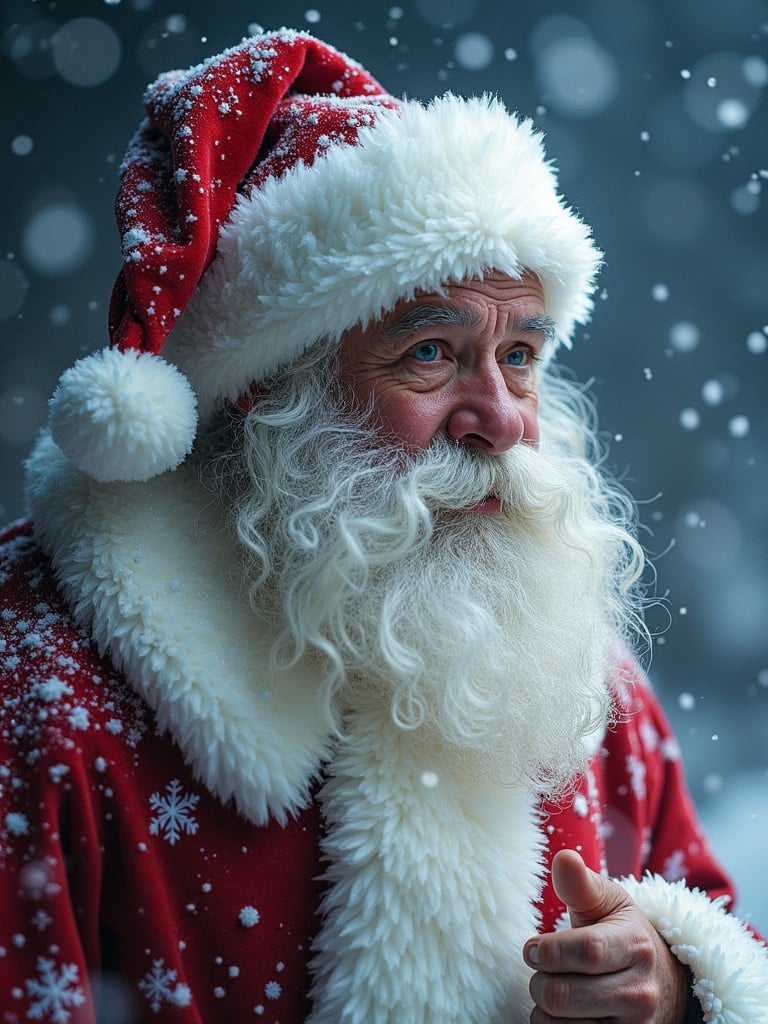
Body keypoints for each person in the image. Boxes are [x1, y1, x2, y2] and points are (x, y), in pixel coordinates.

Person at [0, 27, 765, 1024]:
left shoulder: (565, 663)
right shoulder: (45, 681)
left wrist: (674, 983)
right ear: (267, 389)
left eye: (522, 354)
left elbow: (715, 925)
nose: (501, 418)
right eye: (433, 352)